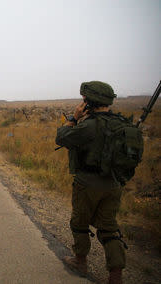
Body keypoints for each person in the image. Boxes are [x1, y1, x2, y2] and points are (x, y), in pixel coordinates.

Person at [56, 81, 127, 284]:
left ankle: (80, 261)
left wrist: (73, 118)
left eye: (84, 99)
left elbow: (61, 138)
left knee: (79, 222)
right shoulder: (121, 123)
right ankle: (116, 276)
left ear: (89, 101)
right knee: (108, 228)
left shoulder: (89, 125)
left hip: (87, 183)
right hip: (114, 184)